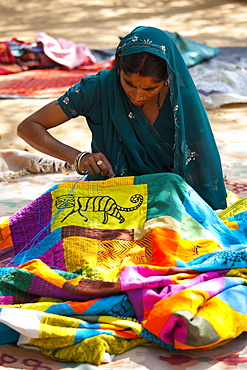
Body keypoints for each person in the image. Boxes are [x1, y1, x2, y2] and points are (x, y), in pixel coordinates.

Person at [17, 26, 227, 210]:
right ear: (118, 66)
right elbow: (29, 126)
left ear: (167, 80)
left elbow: (201, 162)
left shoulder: (182, 102)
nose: (137, 95)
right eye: (129, 83)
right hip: (110, 196)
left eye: (149, 88)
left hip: (167, 197)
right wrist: (79, 157)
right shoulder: (97, 89)